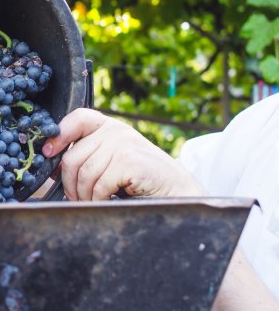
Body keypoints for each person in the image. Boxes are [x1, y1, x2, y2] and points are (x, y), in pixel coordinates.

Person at [42, 94, 279, 310]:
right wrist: (55, 165)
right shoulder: (266, 124)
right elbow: (156, 199)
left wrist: (184, 201)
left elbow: (182, 192)